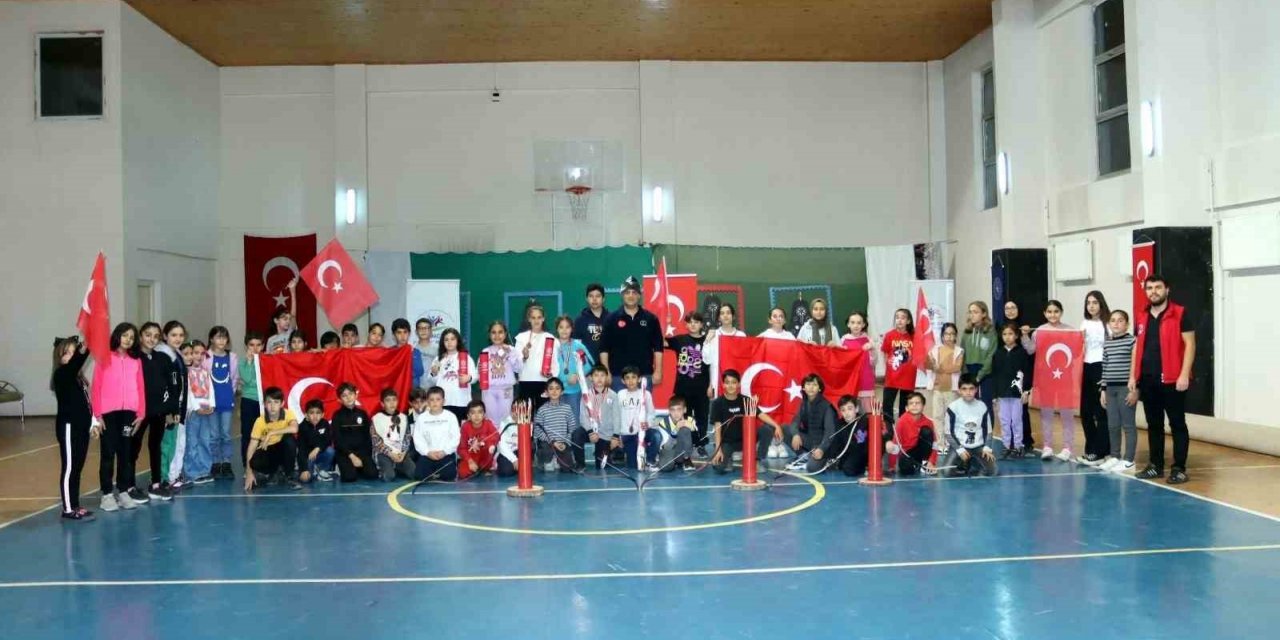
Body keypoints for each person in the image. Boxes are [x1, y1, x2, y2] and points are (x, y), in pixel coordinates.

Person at [1130, 275, 1196, 484]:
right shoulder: (1141, 316)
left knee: (1177, 424)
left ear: (1167, 290)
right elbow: (1136, 347)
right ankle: (1155, 466)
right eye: (1149, 288)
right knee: (1154, 425)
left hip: (1173, 380)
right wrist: (1133, 375)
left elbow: (1190, 345)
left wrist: (1184, 374)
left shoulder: (1180, 313)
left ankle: (1179, 468)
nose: (1153, 291)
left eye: (1158, 287)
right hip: (1148, 380)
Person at [51, 336, 97, 520]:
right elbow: (76, 363)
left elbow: (86, 403)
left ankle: (75, 504)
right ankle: (68, 509)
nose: (71, 357)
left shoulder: (78, 379)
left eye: (73, 352)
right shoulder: (62, 374)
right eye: (67, 353)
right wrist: (84, 348)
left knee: (77, 467)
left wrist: (92, 422)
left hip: (81, 427)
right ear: (59, 358)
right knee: (70, 468)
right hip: (69, 427)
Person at [1027, 300, 1077, 462]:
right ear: (1044, 313)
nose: (1053, 314)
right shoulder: (1039, 331)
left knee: (1067, 414)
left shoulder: (1070, 330)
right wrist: (1023, 336)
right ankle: (1047, 446)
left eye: (1056, 311)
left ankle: (1067, 448)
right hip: (1046, 378)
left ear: (1061, 312)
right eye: (1049, 311)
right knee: (1046, 413)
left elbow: (1076, 352)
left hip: (1065, 378)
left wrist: (1081, 337)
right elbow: (1030, 350)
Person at [710, 370, 780, 474]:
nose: (730, 386)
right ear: (723, 384)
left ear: (738, 384)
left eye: (733, 382)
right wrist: (718, 449)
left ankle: (756, 460)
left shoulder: (746, 400)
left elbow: (760, 415)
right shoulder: (717, 403)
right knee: (718, 467)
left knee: (767, 430)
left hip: (747, 440)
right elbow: (717, 427)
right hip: (728, 442)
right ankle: (727, 458)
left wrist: (776, 425)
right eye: (727, 382)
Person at [600, 276, 664, 391]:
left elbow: (658, 348)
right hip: (617, 377)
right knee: (618, 409)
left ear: (639, 295)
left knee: (643, 409)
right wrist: (606, 372)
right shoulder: (610, 319)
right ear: (622, 295)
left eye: (634, 292)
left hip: (644, 375)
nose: (631, 295)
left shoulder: (651, 319)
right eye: (627, 292)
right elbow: (604, 349)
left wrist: (658, 371)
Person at [665, 311, 711, 451]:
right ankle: (687, 445)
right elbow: (661, 342)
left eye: (696, 322)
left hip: (702, 388)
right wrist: (665, 323)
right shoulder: (680, 339)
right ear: (686, 324)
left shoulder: (708, 341)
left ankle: (701, 444)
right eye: (690, 322)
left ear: (701, 324)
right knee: (685, 418)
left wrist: (711, 385)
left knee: (702, 417)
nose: (693, 325)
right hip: (683, 388)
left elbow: (713, 365)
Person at [1100, 310, 1138, 474]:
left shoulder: (1132, 341)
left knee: (1128, 425)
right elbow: (1105, 367)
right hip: (1110, 388)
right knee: (1113, 425)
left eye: (1120, 320)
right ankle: (1115, 456)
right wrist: (1103, 389)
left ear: (1127, 324)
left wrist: (1134, 389)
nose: (1116, 323)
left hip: (1125, 388)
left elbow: (1136, 366)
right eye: (1113, 320)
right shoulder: (1107, 343)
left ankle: (1129, 460)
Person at [243, 386, 301, 491]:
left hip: (282, 448)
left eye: (276, 402)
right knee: (254, 462)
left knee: (289, 440)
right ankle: (273, 472)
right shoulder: (260, 421)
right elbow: (252, 446)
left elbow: (295, 428)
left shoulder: (288, 414)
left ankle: (289, 475)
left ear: (282, 404)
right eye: (269, 402)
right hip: (269, 449)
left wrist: (271, 433)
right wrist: (248, 472)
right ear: (264, 404)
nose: (272, 406)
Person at [1077, 291, 1112, 465]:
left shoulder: (1108, 323)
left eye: (1095, 302)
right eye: (1088, 302)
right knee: (1085, 412)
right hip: (1086, 367)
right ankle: (1091, 449)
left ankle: (1102, 451)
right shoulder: (1084, 323)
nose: (1091, 305)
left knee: (1101, 412)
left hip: (1101, 366)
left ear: (1101, 304)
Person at [990, 324, 1032, 458]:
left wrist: (1026, 391)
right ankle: (1007, 445)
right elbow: (995, 375)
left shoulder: (1021, 353)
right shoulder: (998, 353)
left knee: (1016, 420)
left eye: (1010, 334)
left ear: (1016, 336)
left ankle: (1018, 446)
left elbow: (1027, 372)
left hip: (1017, 394)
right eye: (1004, 334)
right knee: (1004, 420)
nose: (1007, 337)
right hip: (1002, 393)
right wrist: (995, 395)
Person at [156, 322, 189, 492]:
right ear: (165, 336)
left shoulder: (176, 354)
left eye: (181, 335)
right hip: (169, 408)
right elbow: (165, 385)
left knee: (176, 442)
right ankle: (163, 478)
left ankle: (172, 475)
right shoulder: (163, 355)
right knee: (167, 443)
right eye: (174, 335)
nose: (178, 338)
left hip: (179, 405)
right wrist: (169, 409)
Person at [943, 374, 997, 477]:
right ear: (959, 390)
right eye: (964, 389)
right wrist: (960, 449)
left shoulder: (982, 406)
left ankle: (971, 461)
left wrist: (987, 448)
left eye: (971, 389)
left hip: (978, 446)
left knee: (992, 471)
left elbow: (988, 431)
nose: (968, 392)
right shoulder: (953, 407)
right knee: (947, 472)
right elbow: (948, 433)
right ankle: (964, 461)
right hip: (960, 446)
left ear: (976, 390)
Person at [782, 374, 838, 473]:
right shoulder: (804, 403)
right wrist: (795, 434)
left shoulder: (827, 407)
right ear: (804, 387)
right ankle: (804, 456)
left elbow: (830, 433)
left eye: (814, 385)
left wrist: (821, 449)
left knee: (812, 468)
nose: (811, 387)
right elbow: (795, 422)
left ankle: (827, 460)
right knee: (785, 428)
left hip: (822, 445)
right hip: (810, 441)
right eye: (808, 384)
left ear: (820, 388)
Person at [207, 326, 240, 478]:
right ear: (211, 339)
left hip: (226, 400)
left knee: (226, 434)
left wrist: (229, 394)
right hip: (211, 402)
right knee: (213, 434)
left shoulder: (232, 357)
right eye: (218, 337)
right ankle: (215, 462)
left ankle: (226, 463)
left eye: (224, 337)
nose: (221, 340)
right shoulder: (205, 356)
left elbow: (234, 379)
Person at [514, 304, 559, 411]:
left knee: (543, 416)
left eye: (539, 317)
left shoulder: (551, 339)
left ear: (543, 318)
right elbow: (516, 365)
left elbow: (555, 363)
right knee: (525, 416)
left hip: (543, 382)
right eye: (533, 318)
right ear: (529, 319)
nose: (536, 320)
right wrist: (524, 357)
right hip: (525, 381)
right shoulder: (521, 338)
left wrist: (551, 374)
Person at [1003, 300, 1035, 449]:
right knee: (1007, 412)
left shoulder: (1026, 327)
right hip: (1006, 375)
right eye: (1007, 308)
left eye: (1013, 307)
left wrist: (1024, 335)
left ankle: (1025, 440)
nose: (1010, 311)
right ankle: (1009, 440)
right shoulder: (1000, 328)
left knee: (1022, 410)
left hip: (1022, 375)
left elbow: (1031, 351)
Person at [577, 364, 621, 471]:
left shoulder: (613, 395)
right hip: (590, 432)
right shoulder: (586, 395)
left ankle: (603, 453)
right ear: (591, 378)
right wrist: (590, 432)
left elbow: (617, 416)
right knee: (576, 435)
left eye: (602, 375)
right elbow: (583, 416)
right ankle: (580, 464)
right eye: (596, 375)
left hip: (605, 434)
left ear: (607, 377)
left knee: (602, 466)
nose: (599, 378)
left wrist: (615, 436)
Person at [184, 340, 217, 484]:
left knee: (205, 440)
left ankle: (205, 469)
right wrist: (196, 408)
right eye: (195, 353)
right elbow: (189, 392)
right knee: (192, 441)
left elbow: (211, 390)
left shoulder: (205, 372)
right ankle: (192, 471)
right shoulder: (187, 372)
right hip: (194, 413)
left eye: (201, 353)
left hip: (206, 411)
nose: (198, 356)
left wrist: (212, 405)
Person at [412, 386, 461, 481]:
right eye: (431, 400)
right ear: (427, 402)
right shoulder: (422, 418)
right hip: (428, 455)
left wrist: (444, 451)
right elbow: (418, 439)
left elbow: (455, 437)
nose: (435, 402)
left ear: (444, 401)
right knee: (419, 475)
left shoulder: (451, 417)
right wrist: (427, 452)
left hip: (445, 454)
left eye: (438, 399)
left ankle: (437, 473)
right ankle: (434, 472)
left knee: (449, 475)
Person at [532, 377, 581, 472]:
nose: (554, 391)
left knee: (567, 468)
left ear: (562, 392)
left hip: (562, 442)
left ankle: (559, 459)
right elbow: (537, 431)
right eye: (551, 388)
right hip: (548, 443)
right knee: (546, 453)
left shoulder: (567, 408)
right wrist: (552, 442)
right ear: (546, 392)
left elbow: (572, 428)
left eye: (557, 388)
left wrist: (566, 441)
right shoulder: (542, 410)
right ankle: (548, 459)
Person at [616, 366, 660, 470]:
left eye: (634, 377)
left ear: (639, 379)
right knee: (634, 467)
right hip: (627, 434)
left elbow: (651, 414)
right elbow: (617, 416)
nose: (631, 381)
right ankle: (636, 453)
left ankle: (650, 460)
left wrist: (648, 424)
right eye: (627, 378)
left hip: (643, 431)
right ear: (623, 381)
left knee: (656, 436)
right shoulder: (620, 394)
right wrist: (619, 436)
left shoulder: (646, 394)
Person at [332, 383, 377, 482]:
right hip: (345, 453)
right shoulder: (337, 416)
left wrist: (365, 456)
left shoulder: (363, 414)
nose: (348, 397)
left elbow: (367, 437)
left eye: (350, 394)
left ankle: (357, 467)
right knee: (349, 478)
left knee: (373, 474)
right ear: (339, 399)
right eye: (344, 395)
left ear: (356, 395)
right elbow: (337, 440)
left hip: (361, 452)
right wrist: (352, 456)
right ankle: (341, 466)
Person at [924, 323, 964, 431]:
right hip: (937, 389)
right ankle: (940, 444)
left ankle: (951, 443)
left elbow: (957, 367)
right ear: (942, 336)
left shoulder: (959, 351)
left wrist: (939, 368)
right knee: (937, 417)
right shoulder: (935, 350)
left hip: (952, 390)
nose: (949, 337)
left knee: (951, 417)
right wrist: (932, 364)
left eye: (952, 334)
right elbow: (927, 365)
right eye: (946, 334)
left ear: (956, 336)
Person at [479, 320, 521, 424]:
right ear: (489, 335)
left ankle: (504, 440)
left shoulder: (511, 349)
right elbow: (479, 373)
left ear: (505, 334)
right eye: (494, 332)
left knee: (506, 419)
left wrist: (510, 353)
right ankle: (492, 440)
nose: (497, 335)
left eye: (500, 332)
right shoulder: (485, 351)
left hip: (506, 390)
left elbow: (518, 368)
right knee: (490, 420)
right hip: (489, 390)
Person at [233, 331, 263, 479]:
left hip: (265, 401)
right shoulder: (242, 362)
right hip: (249, 400)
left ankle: (263, 464)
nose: (255, 348)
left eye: (258, 345)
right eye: (251, 345)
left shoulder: (267, 360)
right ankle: (248, 465)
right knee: (248, 434)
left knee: (264, 433)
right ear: (246, 347)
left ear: (262, 346)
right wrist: (250, 362)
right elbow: (248, 380)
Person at [432, 328, 476, 423]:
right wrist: (434, 373)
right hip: (443, 402)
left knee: (461, 431)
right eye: (446, 339)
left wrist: (469, 378)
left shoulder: (466, 357)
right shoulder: (438, 359)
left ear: (458, 341)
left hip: (461, 401)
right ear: (442, 342)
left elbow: (475, 377)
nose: (449, 342)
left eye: (452, 339)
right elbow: (432, 380)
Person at [962, 301, 997, 418]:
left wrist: (980, 375)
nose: (972, 315)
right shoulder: (966, 332)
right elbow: (962, 353)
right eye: (970, 312)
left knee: (986, 403)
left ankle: (987, 433)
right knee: (971, 402)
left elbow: (991, 354)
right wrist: (965, 372)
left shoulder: (990, 332)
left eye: (975, 312)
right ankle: (973, 432)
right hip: (969, 370)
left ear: (984, 314)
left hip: (985, 371)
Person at [553, 315, 594, 416]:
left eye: (567, 327)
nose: (564, 330)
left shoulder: (577, 345)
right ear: (557, 329)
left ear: (572, 329)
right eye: (561, 327)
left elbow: (589, 364)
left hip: (574, 390)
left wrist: (577, 375)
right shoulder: (553, 346)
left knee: (574, 421)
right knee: (559, 421)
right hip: (556, 391)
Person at [371, 388, 414, 481]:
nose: (392, 403)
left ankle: (397, 466)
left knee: (413, 473)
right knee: (389, 477)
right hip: (384, 453)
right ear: (382, 404)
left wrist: (403, 453)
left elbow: (407, 438)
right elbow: (376, 442)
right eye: (388, 400)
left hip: (399, 453)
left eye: (394, 400)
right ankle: (387, 468)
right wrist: (390, 454)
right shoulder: (376, 419)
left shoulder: (403, 418)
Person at [880, 308, 917, 418]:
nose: (899, 320)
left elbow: (919, 353)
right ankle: (889, 431)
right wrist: (888, 364)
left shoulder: (914, 336)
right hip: (892, 376)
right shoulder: (889, 335)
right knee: (887, 404)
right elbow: (885, 352)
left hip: (908, 376)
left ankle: (902, 429)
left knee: (905, 407)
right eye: (897, 317)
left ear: (908, 321)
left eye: (903, 317)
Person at [892, 392, 936, 476]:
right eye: (911, 403)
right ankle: (916, 465)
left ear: (923, 406)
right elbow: (896, 442)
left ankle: (925, 463)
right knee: (906, 469)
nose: (914, 405)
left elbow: (934, 445)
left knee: (926, 431)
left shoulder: (929, 422)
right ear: (906, 408)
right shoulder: (901, 421)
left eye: (918, 403)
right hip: (907, 453)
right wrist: (892, 465)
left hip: (922, 452)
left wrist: (931, 462)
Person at [841, 311, 877, 413]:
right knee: (852, 411)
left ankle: (871, 428)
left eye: (858, 322)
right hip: (851, 382)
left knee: (868, 412)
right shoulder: (844, 340)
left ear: (863, 324)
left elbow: (873, 362)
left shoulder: (868, 340)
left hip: (866, 381)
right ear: (848, 324)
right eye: (852, 322)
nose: (855, 325)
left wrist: (872, 349)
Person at [652, 395, 698, 472]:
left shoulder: (690, 420)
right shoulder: (663, 423)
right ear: (669, 411)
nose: (676, 413)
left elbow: (697, 442)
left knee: (685, 429)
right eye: (673, 410)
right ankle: (675, 462)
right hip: (670, 451)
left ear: (685, 410)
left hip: (683, 452)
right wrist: (675, 430)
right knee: (666, 468)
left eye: (679, 409)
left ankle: (687, 459)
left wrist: (692, 428)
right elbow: (667, 447)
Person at [703, 302, 745, 386]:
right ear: (719, 318)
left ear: (733, 316)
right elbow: (707, 360)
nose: (725, 315)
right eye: (722, 313)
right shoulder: (714, 335)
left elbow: (744, 361)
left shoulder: (741, 335)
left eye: (728, 313)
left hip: (736, 382)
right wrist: (707, 340)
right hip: (717, 382)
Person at [457, 400, 500, 480]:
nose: (476, 416)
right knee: (462, 473)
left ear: (484, 415)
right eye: (473, 413)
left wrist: (482, 440)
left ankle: (487, 466)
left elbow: (497, 436)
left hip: (485, 455)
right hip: (472, 456)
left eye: (479, 412)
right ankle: (477, 468)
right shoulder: (465, 427)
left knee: (490, 445)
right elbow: (461, 448)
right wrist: (470, 461)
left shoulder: (488, 424)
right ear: (468, 416)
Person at [297, 399, 335, 483]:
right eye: (311, 413)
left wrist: (317, 448)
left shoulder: (325, 424)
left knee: (330, 451)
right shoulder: (302, 427)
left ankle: (322, 470)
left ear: (322, 414)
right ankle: (311, 470)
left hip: (320, 454)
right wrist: (304, 469)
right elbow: (301, 449)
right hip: (308, 457)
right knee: (305, 480)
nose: (315, 416)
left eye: (318, 413)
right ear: (306, 415)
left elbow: (328, 440)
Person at [572, 282, 610, 365]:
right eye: (591, 296)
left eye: (598, 296)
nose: (594, 299)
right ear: (586, 299)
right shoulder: (579, 321)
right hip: (588, 371)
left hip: (609, 369)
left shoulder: (611, 319)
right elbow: (575, 347)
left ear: (603, 299)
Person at [264, 278, 298, 354]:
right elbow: (268, 358)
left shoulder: (290, 333)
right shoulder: (270, 340)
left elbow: (293, 315)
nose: (288, 321)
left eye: (289, 319)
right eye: (285, 319)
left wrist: (293, 291)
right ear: (276, 320)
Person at [413, 318, 437, 389]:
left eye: (426, 328)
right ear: (416, 331)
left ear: (431, 331)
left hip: (434, 389)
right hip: (417, 391)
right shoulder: (412, 349)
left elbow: (439, 370)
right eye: (420, 328)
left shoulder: (438, 349)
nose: (423, 331)